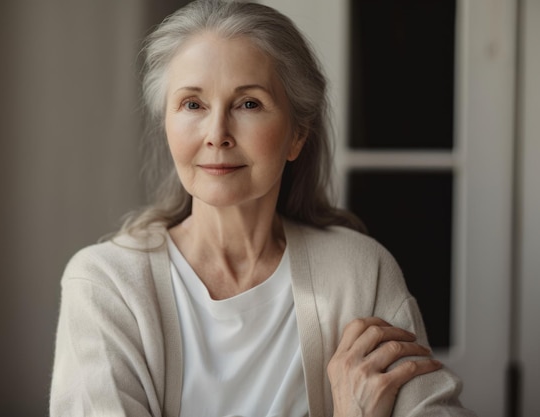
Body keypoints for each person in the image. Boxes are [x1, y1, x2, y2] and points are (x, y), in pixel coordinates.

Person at [50, 1, 476, 416]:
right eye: (193, 104)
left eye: (248, 103)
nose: (217, 134)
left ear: (296, 135)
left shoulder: (359, 273)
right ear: (166, 125)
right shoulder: (107, 285)